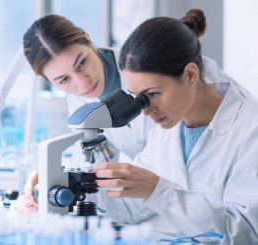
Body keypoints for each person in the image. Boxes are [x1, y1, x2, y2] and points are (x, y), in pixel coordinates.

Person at [17, 14, 237, 217]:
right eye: (64, 80)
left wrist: (156, 191)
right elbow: (102, 177)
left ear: (89, 41)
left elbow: (230, 133)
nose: (82, 82)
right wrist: (61, 183)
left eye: (82, 62)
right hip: (164, 201)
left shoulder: (157, 66)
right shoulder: (79, 103)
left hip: (209, 199)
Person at [94, 9, 258, 244]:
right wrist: (74, 185)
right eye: (137, 97)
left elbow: (245, 234)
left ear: (190, 75)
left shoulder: (251, 130)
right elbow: (132, 207)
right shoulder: (165, 132)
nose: (145, 110)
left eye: (152, 94)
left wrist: (159, 191)